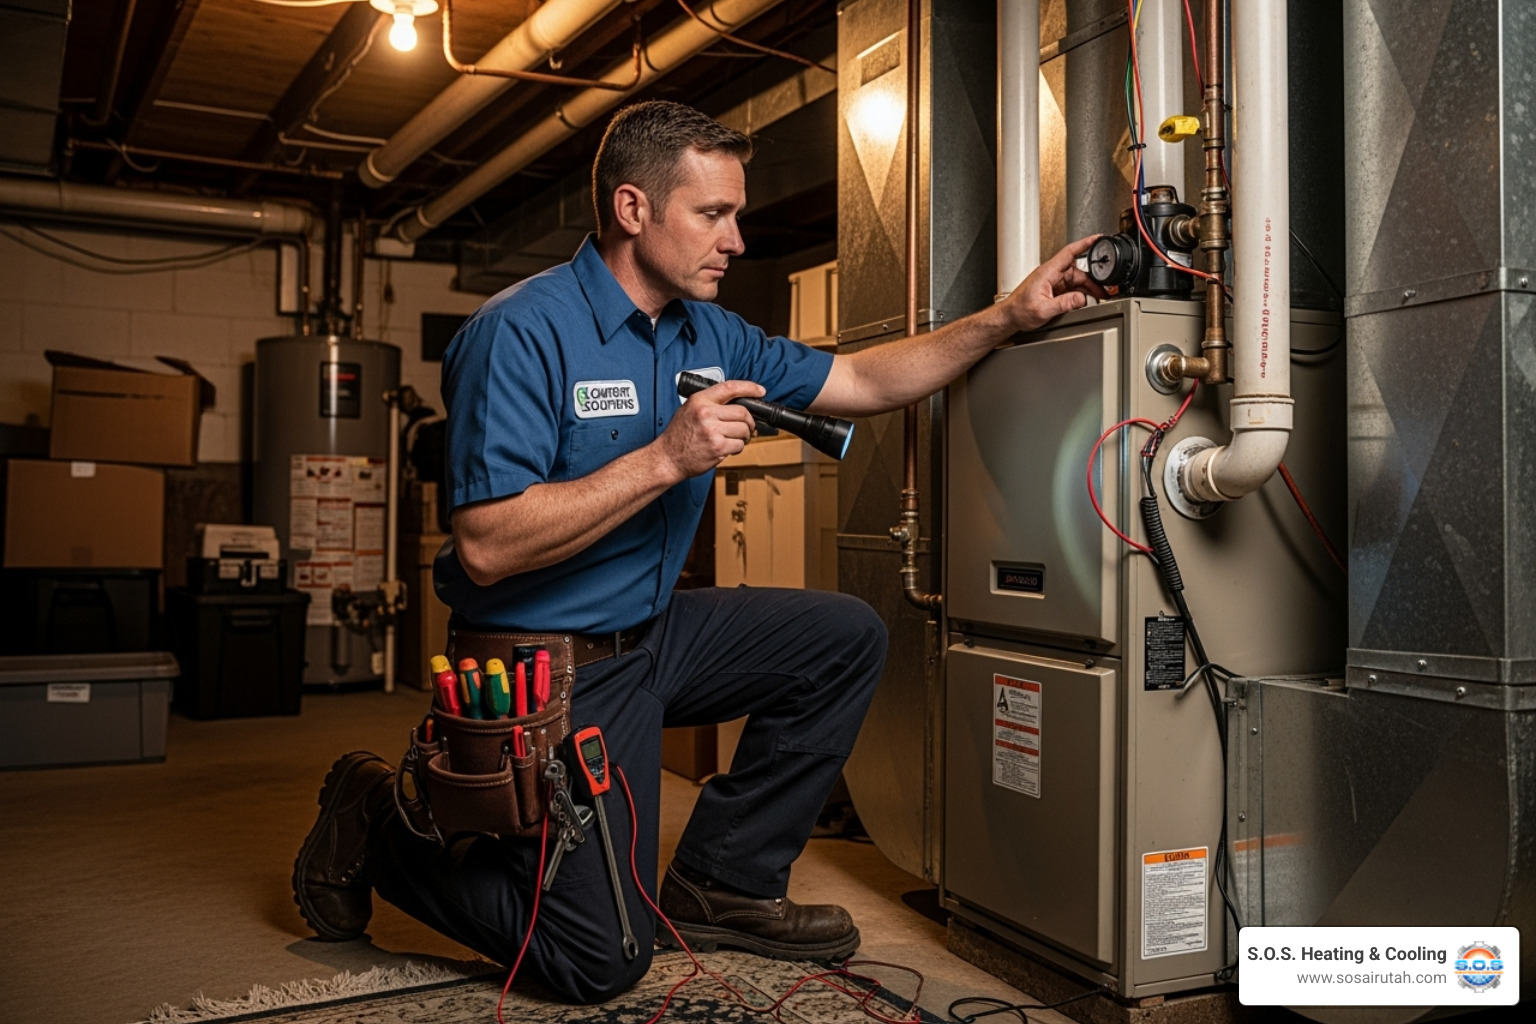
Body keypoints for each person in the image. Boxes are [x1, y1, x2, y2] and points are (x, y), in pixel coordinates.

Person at [292, 100, 1104, 1003]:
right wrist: (666, 458)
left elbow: (862, 378)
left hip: (653, 635)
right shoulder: (520, 331)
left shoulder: (710, 332)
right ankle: (379, 822)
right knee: (599, 961)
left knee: (843, 637)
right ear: (633, 209)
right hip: (547, 664)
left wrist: (1006, 316)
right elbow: (485, 546)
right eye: (712, 214)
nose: (736, 240)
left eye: (736, 214)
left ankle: (725, 882)